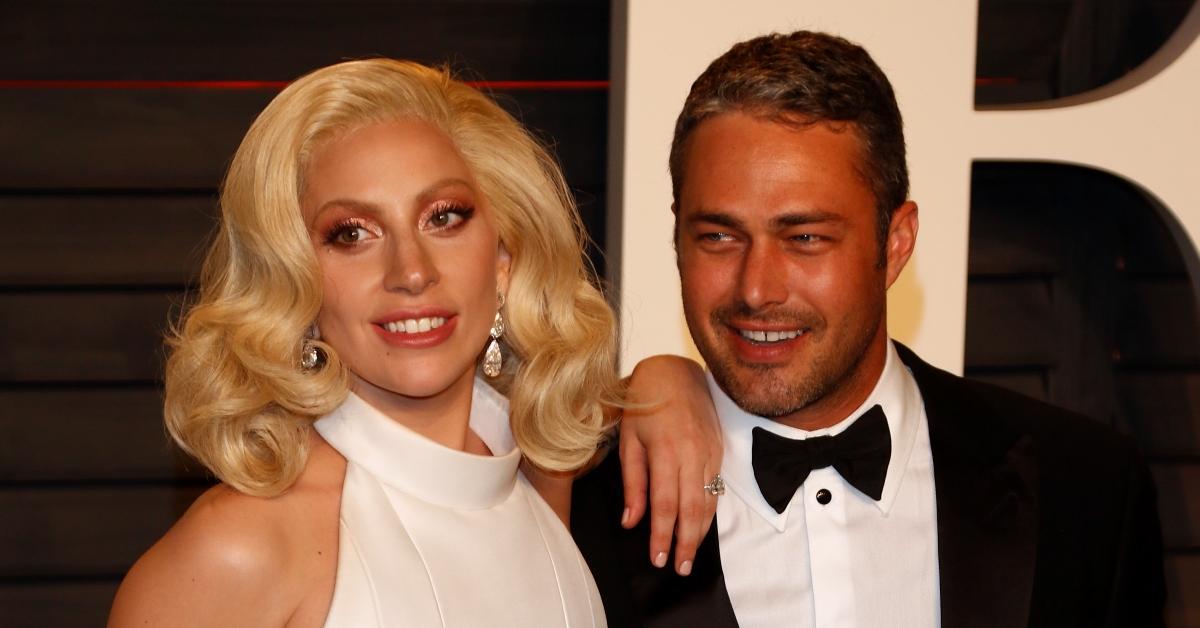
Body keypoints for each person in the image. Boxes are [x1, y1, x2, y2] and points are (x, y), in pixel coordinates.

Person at [571, 30, 1166, 627]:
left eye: (806, 239)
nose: (756, 289)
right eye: (719, 237)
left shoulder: (1088, 489)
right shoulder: (580, 505)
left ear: (896, 241)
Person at [108, 58, 716, 627]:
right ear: (294, 282)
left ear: (503, 258)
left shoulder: (540, 475)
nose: (412, 270)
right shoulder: (242, 548)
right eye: (352, 233)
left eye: (444, 217)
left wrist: (672, 376)